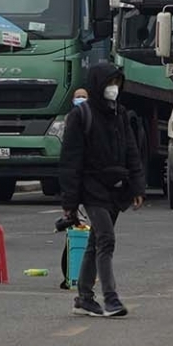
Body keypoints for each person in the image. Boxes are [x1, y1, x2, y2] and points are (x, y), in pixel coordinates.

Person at [58, 61, 146, 317]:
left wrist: (137, 187)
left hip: (117, 189)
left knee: (95, 243)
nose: (114, 88)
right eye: (110, 83)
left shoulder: (120, 114)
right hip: (92, 188)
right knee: (106, 239)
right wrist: (70, 202)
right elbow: (70, 161)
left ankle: (84, 297)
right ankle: (111, 298)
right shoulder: (80, 116)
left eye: (117, 83)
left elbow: (132, 152)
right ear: (98, 85)